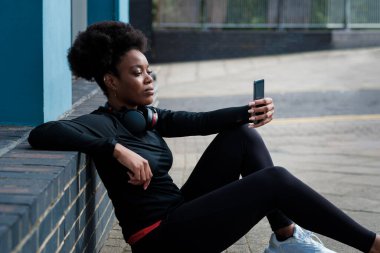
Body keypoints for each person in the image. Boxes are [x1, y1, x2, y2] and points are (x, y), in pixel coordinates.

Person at [28, 21, 380, 253]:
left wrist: (251, 111)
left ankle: (287, 239)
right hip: (159, 239)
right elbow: (43, 132)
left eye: (149, 70)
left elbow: (200, 120)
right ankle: (373, 244)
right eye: (137, 73)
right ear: (110, 81)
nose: (149, 78)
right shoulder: (102, 125)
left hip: (178, 215)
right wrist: (117, 149)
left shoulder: (145, 118)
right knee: (274, 180)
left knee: (240, 136)